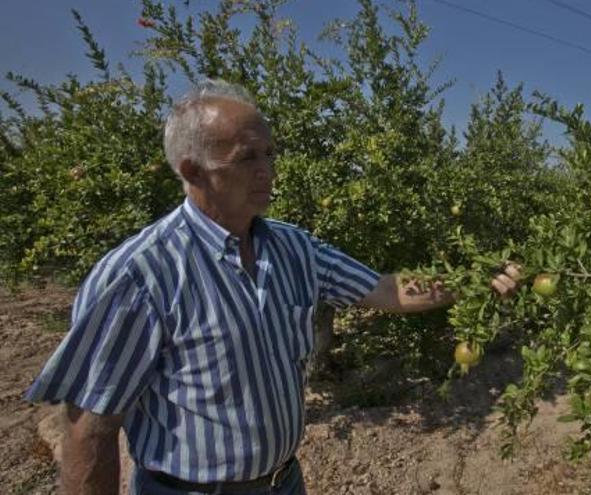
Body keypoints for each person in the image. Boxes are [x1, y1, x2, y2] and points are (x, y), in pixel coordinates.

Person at [24, 79, 521, 495]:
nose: (267, 170)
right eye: (247, 158)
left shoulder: (293, 248)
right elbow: (90, 426)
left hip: (284, 482)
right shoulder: (141, 274)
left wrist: (469, 282)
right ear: (192, 170)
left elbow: (385, 290)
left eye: (270, 153)